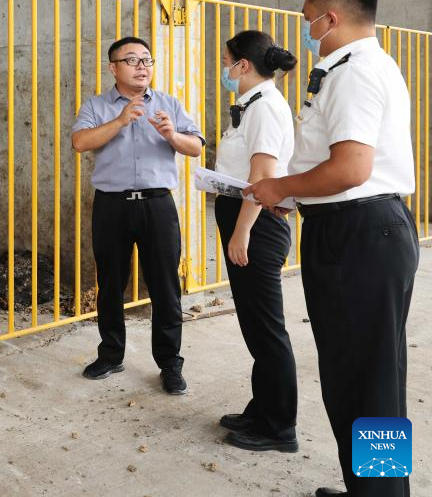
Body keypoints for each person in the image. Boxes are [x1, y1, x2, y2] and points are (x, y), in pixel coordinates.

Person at [246, 0, 417, 497]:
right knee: (368, 378)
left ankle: (379, 495)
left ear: (331, 18)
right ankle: (372, 490)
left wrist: (279, 187)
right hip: (362, 230)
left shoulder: (354, 72)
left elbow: (350, 169)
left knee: (363, 383)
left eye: (308, 20)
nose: (306, 30)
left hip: (357, 235)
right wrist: (296, 194)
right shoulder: (367, 65)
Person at [71, 36, 204, 395]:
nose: (142, 66)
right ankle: (111, 354)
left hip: (157, 205)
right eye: (132, 60)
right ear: (113, 68)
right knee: (111, 284)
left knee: (165, 286)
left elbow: (195, 146)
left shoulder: (168, 103)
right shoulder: (97, 105)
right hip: (112, 205)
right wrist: (119, 120)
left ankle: (170, 364)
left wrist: (172, 135)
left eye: (147, 60)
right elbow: (80, 142)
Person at [213, 30, 299, 453]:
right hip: (247, 215)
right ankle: (261, 409)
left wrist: (242, 230)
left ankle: (279, 428)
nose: (224, 70)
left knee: (266, 328)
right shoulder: (252, 104)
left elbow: (262, 175)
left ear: (242, 65)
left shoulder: (264, 107)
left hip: (257, 223)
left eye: (225, 62)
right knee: (254, 324)